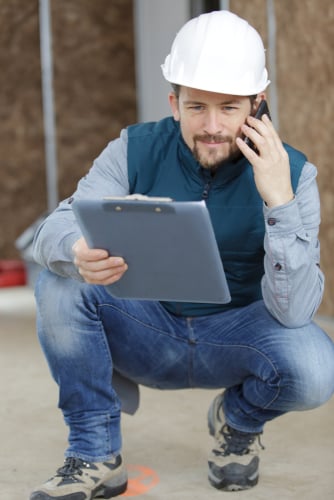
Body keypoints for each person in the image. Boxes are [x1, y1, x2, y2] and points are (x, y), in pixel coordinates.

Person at [30, 10, 334, 499]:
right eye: (197, 107)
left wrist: (279, 203)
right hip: (149, 331)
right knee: (61, 284)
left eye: (230, 108)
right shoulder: (133, 148)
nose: (211, 127)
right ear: (174, 102)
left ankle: (237, 423)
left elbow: (294, 311)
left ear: (258, 104)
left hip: (237, 339)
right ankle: (93, 454)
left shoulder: (294, 175)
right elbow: (55, 227)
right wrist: (77, 248)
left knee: (317, 369)